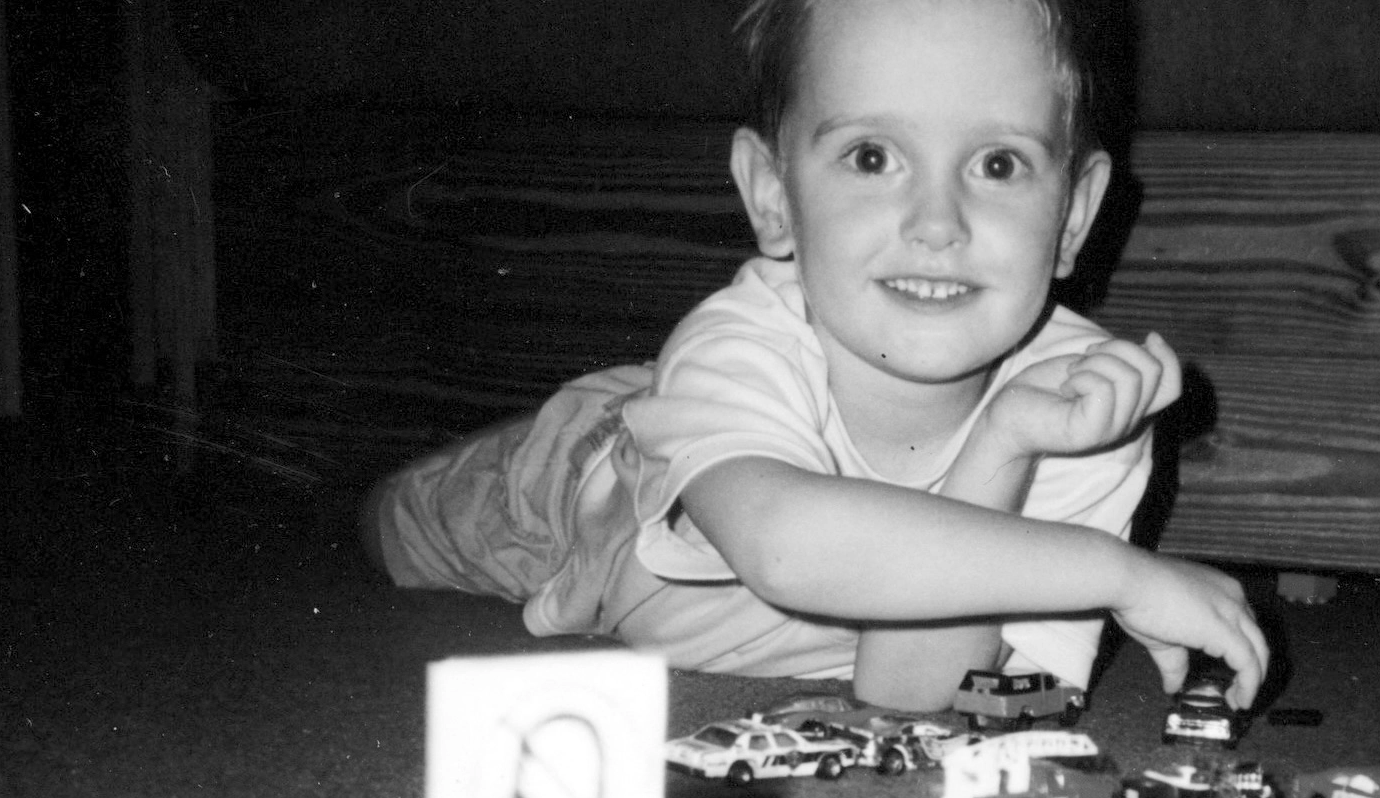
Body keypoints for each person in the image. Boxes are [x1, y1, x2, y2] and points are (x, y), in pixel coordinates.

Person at [364, 0, 1269, 712]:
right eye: (872, 156)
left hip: (712, 433)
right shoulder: (746, 340)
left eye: (997, 165)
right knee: (385, 526)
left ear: (1073, 215)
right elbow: (789, 550)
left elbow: (913, 696)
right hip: (583, 493)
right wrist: (1117, 573)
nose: (937, 224)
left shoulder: (1081, 409)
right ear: (772, 196)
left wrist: (1004, 445)